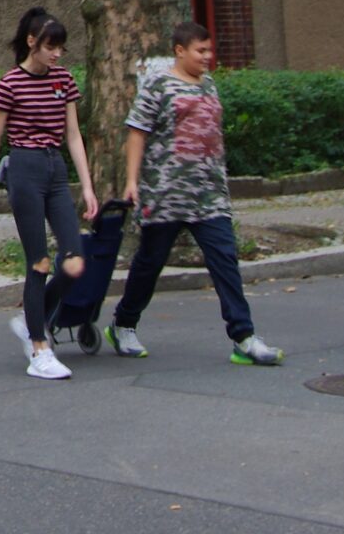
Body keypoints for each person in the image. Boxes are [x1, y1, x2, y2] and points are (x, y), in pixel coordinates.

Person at [109, 20, 284, 366]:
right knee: (149, 264)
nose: (207, 56)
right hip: (166, 194)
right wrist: (131, 182)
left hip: (209, 195)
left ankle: (244, 337)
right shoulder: (158, 84)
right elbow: (137, 132)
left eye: (209, 50)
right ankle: (124, 324)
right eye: (200, 50)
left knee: (225, 261)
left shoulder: (209, 84)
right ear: (180, 51)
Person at [0, 6, 98, 380]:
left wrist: (87, 187)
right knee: (39, 262)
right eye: (50, 47)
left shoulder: (64, 80)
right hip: (24, 169)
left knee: (74, 261)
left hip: (55, 168)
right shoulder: (10, 83)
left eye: (61, 47)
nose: (57, 54)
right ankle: (39, 350)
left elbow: (73, 135)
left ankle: (32, 318)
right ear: (32, 43)